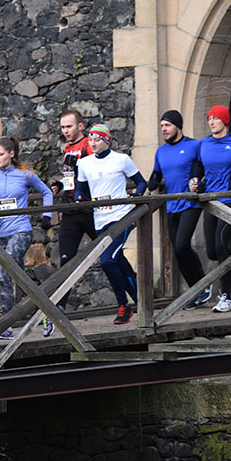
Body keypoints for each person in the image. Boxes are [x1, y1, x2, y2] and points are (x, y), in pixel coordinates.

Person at [0, 136, 53, 340]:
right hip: (1, 233)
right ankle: (47, 313)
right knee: (20, 279)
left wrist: (47, 216)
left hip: (21, 230)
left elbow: (46, 192)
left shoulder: (24, 174)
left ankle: (6, 324)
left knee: (4, 272)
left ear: (11, 154)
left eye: (0, 154)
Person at [74, 124, 147, 325]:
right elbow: (81, 188)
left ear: (107, 140)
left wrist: (137, 196)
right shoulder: (84, 163)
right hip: (100, 219)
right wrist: (80, 196)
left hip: (121, 216)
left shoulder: (121, 159)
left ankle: (124, 305)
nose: (93, 143)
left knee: (107, 261)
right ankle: (139, 296)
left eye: (97, 139)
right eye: (90, 139)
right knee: (118, 261)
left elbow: (142, 182)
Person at [189, 105, 231, 313]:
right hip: (211, 201)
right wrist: (195, 179)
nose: (212, 121)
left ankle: (226, 297)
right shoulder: (203, 143)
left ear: (225, 120)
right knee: (213, 251)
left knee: (221, 245)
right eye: (209, 118)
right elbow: (197, 165)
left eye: (215, 118)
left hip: (230, 199)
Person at [148, 110, 210, 309]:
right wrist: (151, 182)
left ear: (177, 126)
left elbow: (204, 168)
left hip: (191, 203)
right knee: (177, 250)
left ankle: (203, 285)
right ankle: (196, 292)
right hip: (171, 205)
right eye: (162, 127)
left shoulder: (194, 145)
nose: (164, 129)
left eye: (167, 125)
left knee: (183, 244)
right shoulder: (161, 151)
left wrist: (201, 184)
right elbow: (156, 174)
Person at [50, 109, 95, 322]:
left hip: (91, 209)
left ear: (81, 126)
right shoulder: (68, 148)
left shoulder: (89, 144)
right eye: (63, 127)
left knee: (112, 255)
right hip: (70, 210)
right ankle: (60, 307)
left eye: (69, 126)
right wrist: (60, 184)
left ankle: (136, 297)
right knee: (66, 260)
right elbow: (72, 176)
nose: (65, 131)